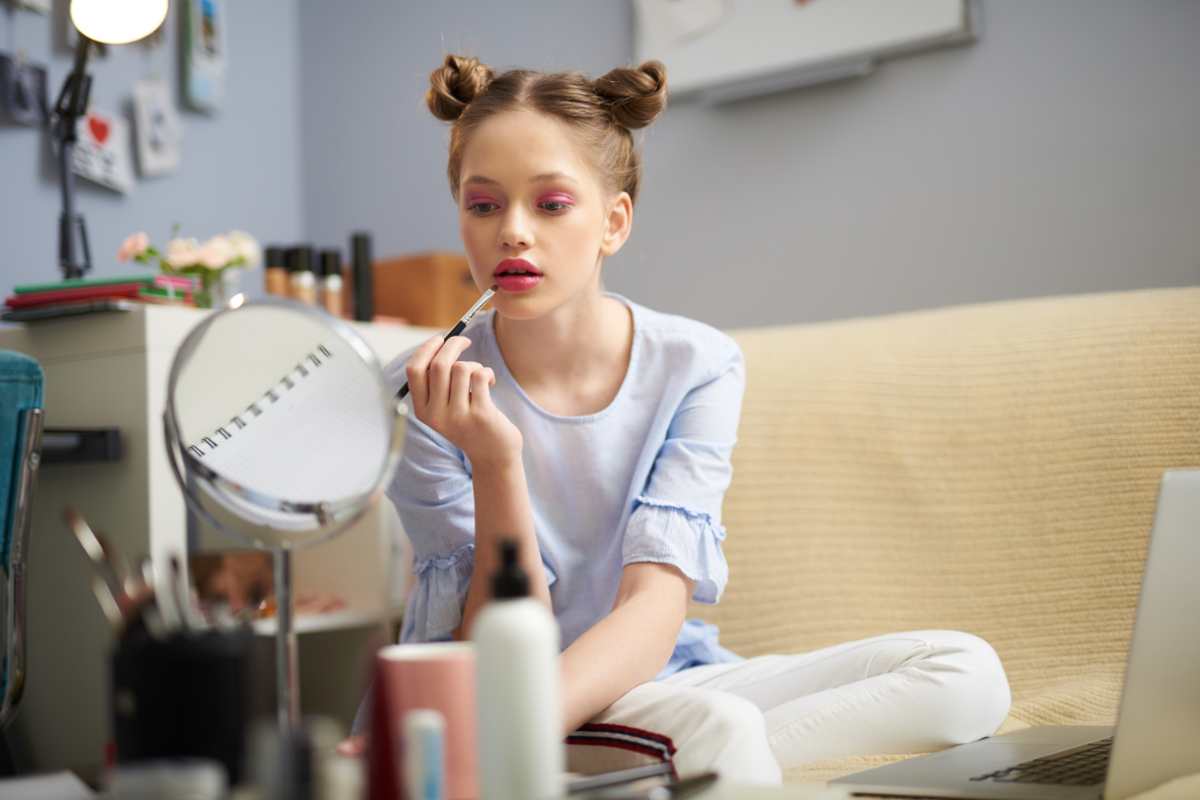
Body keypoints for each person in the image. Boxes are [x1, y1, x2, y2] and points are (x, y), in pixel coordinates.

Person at [365, 54, 1011, 782]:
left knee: (964, 671)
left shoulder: (697, 364)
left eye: (551, 204)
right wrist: (495, 460)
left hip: (644, 685)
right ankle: (638, 765)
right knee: (721, 728)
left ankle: (604, 770)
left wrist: (518, 738)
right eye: (483, 205)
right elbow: (496, 643)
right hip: (494, 693)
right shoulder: (421, 391)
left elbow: (652, 608)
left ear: (614, 222)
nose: (512, 232)